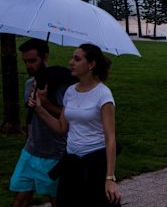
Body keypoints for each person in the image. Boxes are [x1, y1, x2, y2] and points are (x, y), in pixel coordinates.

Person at [33, 43, 121, 207]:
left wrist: (109, 179)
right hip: (71, 163)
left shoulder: (103, 95)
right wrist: (39, 108)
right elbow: (62, 128)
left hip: (95, 164)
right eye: (72, 58)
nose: (70, 62)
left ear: (91, 64)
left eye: (77, 59)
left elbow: (110, 139)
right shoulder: (70, 92)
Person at [10, 39, 74, 207]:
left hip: (54, 154)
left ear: (45, 57)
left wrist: (44, 101)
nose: (28, 66)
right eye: (25, 61)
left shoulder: (63, 85)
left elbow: (69, 117)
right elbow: (31, 117)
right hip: (30, 152)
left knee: (57, 200)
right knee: (20, 201)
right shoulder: (29, 84)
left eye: (32, 61)